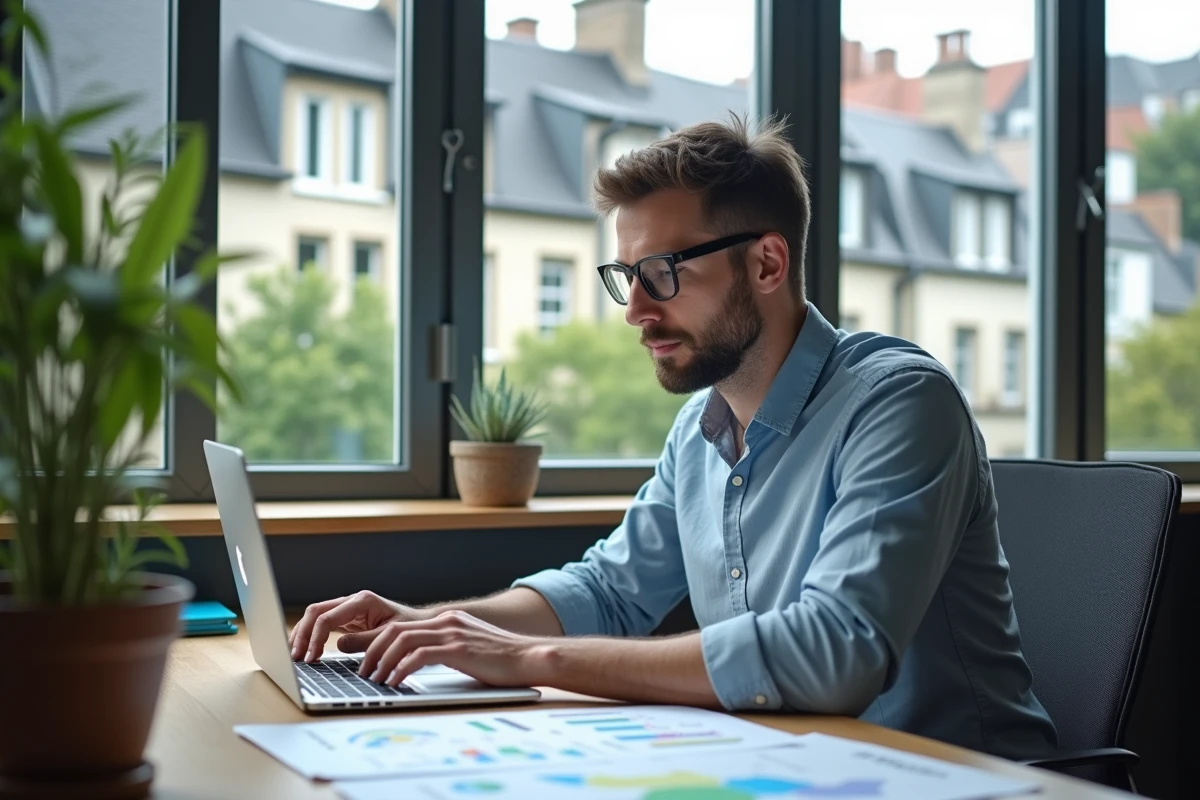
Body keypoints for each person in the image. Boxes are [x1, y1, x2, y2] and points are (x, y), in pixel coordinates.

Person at [289, 115, 1057, 761]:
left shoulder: (899, 403)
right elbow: (611, 592)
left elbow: (835, 652)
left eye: (660, 272)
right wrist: (432, 626)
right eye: (626, 276)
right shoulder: (702, 426)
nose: (634, 310)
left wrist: (527, 660)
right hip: (796, 766)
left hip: (959, 775)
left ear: (766, 262)